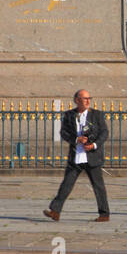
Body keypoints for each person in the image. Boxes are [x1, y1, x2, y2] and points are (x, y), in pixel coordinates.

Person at [44, 88, 110, 221]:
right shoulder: (69, 115)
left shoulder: (97, 115)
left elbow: (104, 132)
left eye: (88, 98)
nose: (87, 101)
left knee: (98, 186)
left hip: (92, 155)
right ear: (77, 100)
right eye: (84, 98)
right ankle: (55, 211)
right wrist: (76, 139)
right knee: (67, 183)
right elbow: (64, 133)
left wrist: (94, 144)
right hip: (76, 155)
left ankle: (104, 214)